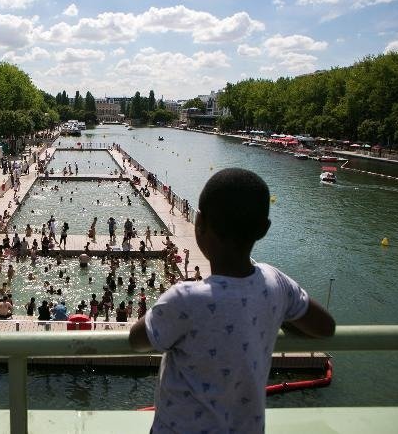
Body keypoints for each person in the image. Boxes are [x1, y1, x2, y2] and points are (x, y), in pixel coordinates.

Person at [129, 168, 335, 433]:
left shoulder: (184, 299)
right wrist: (277, 313)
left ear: (199, 224)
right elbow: (325, 327)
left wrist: (164, 305)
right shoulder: (277, 283)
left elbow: (137, 340)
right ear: (264, 229)